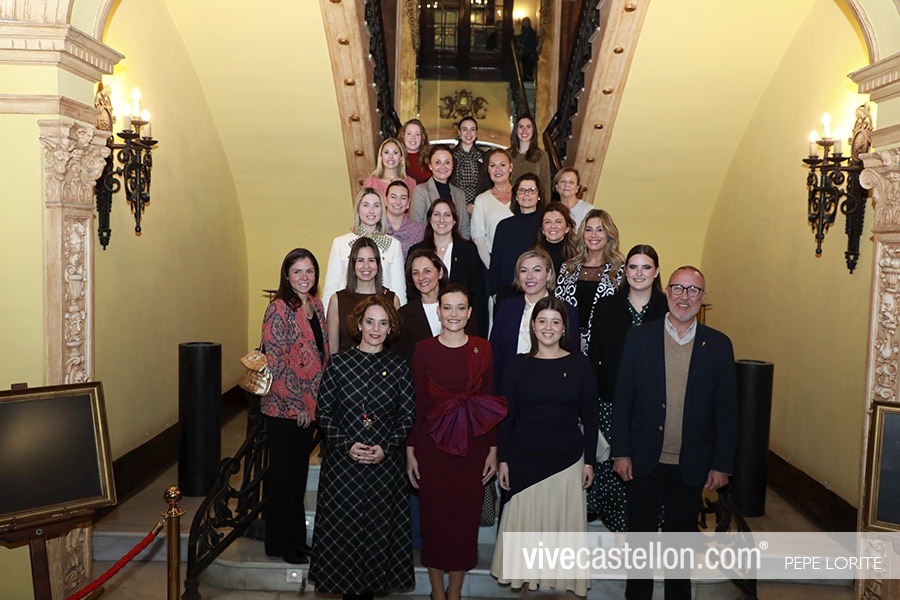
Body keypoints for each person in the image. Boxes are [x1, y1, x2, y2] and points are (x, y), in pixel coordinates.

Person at [611, 266, 737, 600]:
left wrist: (721, 464)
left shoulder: (719, 345)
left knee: (680, 550)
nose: (684, 296)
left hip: (691, 464)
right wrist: (621, 452)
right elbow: (623, 399)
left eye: (693, 290)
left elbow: (727, 410)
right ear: (666, 292)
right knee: (640, 548)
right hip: (643, 461)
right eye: (678, 288)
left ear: (703, 298)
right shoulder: (639, 338)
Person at [309, 295, 416, 600]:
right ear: (358, 324)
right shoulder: (339, 364)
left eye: (383, 323)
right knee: (344, 538)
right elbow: (324, 413)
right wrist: (346, 445)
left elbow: (408, 415)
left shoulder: (399, 368)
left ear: (390, 328)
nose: (375, 329)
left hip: (384, 469)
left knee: (377, 538)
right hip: (343, 469)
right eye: (370, 322)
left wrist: (386, 447)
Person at [491, 296, 598, 597]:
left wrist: (590, 461)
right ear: (533, 326)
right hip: (524, 460)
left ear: (564, 328)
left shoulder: (580, 364)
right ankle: (528, 583)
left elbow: (591, 418)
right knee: (527, 530)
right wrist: (503, 459)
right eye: (542, 321)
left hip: (567, 461)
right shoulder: (518, 364)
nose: (548, 328)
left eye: (555, 322)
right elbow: (506, 417)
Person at [408, 283, 507, 600]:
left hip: (472, 447)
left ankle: (454, 592)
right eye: (447, 307)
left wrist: (493, 449)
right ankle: (437, 592)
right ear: (438, 312)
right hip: (431, 447)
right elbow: (417, 403)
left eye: (460, 308)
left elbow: (488, 403)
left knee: (464, 521)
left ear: (469, 312)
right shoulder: (423, 349)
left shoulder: (482, 348)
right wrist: (410, 451)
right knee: (434, 521)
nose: (454, 314)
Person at [586, 244, 668, 534]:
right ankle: (619, 536)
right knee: (616, 473)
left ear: (656, 272)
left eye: (646, 267)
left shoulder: (667, 309)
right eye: (633, 267)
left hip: (654, 407)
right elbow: (594, 357)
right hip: (610, 402)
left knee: (648, 471)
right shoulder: (607, 307)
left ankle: (645, 533)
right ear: (625, 271)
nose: (639, 273)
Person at [260, 248, 329, 565]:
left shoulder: (317, 306)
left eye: (309, 271)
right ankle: (281, 544)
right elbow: (276, 360)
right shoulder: (278, 309)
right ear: (287, 276)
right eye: (297, 271)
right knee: (283, 479)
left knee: (298, 477)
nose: (304, 277)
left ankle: (297, 541)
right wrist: (296, 402)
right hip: (284, 408)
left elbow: (322, 355)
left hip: (311, 407)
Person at [490, 249, 579, 393]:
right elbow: (495, 354)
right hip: (512, 388)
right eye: (524, 271)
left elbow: (573, 356)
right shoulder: (507, 308)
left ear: (549, 274)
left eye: (537, 270)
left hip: (554, 388)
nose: (529, 276)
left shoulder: (566, 310)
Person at [409, 199, 487, 336]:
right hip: (425, 323)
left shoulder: (468, 250)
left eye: (447, 215)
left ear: (454, 220)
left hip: (460, 323)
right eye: (436, 214)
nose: (441, 220)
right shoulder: (416, 251)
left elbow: (478, 293)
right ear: (429, 219)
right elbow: (411, 290)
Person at [322, 187, 406, 310]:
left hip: (382, 310)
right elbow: (330, 288)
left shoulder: (393, 245)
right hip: (347, 308)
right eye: (366, 205)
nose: (371, 211)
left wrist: (400, 317)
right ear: (358, 209)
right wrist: (327, 317)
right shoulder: (340, 243)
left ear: (382, 210)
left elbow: (399, 289)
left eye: (376, 205)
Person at [555, 208, 624, 355]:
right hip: (567, 343)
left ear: (609, 234)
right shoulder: (568, 267)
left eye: (600, 230)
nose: (593, 235)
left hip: (604, 345)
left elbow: (620, 314)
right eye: (589, 230)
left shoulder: (619, 270)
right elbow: (558, 307)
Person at [327, 237, 401, 354]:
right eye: (360, 260)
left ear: (378, 264)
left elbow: (397, 347)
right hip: (346, 364)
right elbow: (332, 349)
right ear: (352, 264)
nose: (366, 266)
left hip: (383, 364)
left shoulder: (392, 300)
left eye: (371, 260)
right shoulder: (337, 300)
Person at [489, 173, 546, 306]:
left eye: (531, 190)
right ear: (515, 196)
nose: (526, 194)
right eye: (522, 190)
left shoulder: (545, 224)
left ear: (539, 196)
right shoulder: (504, 225)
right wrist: (494, 292)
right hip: (507, 292)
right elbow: (496, 262)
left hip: (538, 291)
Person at [394, 249, 449, 363]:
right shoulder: (403, 315)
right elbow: (398, 358)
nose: (421, 277)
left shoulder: (458, 308)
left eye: (427, 271)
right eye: (415, 273)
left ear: (440, 273)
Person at [411, 144, 471, 240]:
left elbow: (464, 229)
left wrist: (461, 247)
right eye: (437, 162)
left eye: (447, 162)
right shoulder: (420, 191)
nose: (443, 167)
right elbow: (416, 227)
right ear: (430, 165)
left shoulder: (459, 194)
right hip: (429, 246)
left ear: (452, 166)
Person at [470, 148, 514, 268]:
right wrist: (491, 265)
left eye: (502, 165)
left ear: (511, 167)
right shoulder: (481, 200)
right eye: (493, 165)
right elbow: (478, 238)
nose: (498, 169)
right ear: (488, 170)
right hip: (491, 261)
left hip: (521, 263)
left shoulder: (521, 197)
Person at [450, 116, 491, 213]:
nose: (469, 133)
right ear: (459, 132)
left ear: (476, 133)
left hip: (478, 207)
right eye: (465, 129)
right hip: (453, 207)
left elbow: (488, 184)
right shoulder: (450, 156)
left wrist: (473, 204)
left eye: (472, 129)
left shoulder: (485, 157)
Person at [509, 115, 550, 199]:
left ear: (533, 130)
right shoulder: (507, 155)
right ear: (516, 130)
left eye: (528, 127)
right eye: (521, 127)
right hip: (511, 202)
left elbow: (545, 185)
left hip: (534, 202)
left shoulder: (542, 156)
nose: (524, 130)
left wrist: (545, 205)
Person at [384, 180, 425, 260]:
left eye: (403, 198)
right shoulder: (375, 228)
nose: (398, 202)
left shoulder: (420, 231)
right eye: (393, 197)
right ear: (385, 200)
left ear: (408, 203)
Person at [533, 201, 577, 275]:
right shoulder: (533, 256)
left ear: (567, 228)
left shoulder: (577, 256)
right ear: (542, 229)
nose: (553, 226)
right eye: (548, 222)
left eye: (558, 221)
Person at [401, 118, 432, 184]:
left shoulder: (431, 159)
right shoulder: (396, 160)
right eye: (409, 133)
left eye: (417, 134)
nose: (413, 137)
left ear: (422, 138)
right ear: (403, 136)